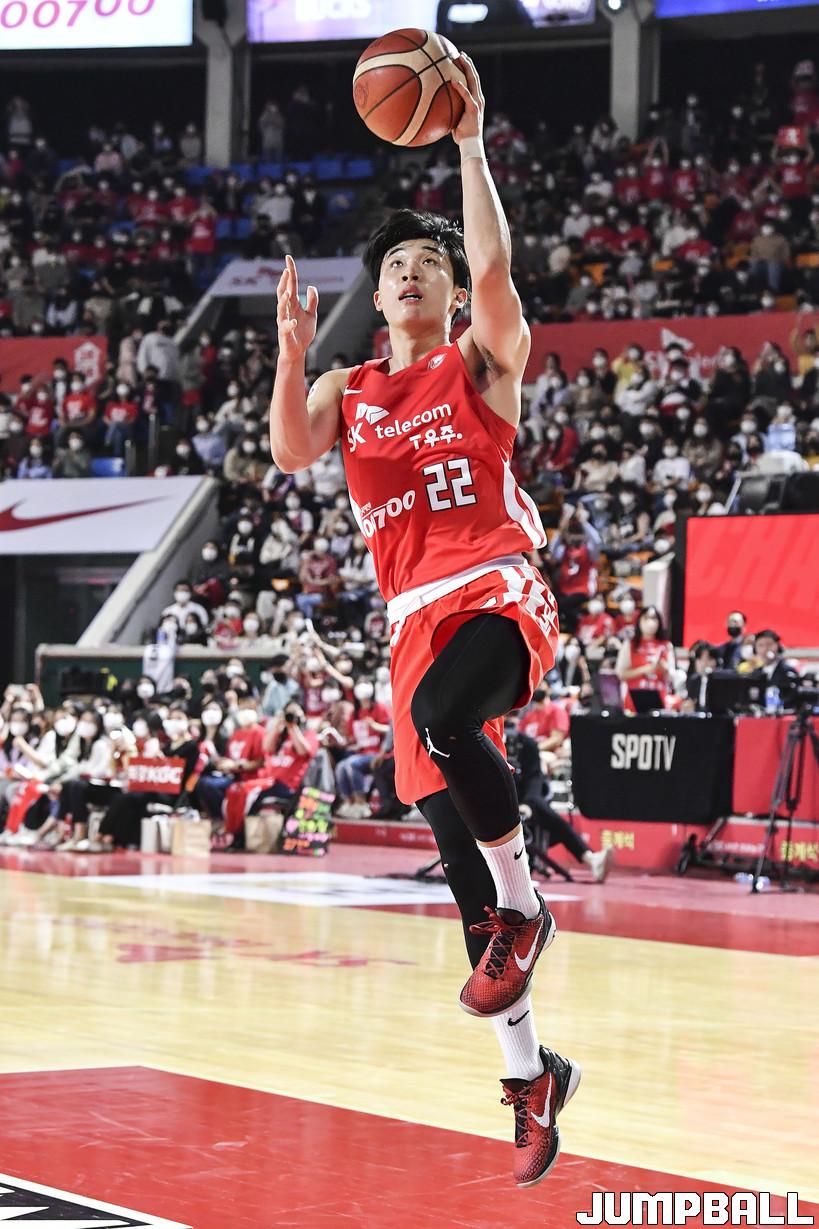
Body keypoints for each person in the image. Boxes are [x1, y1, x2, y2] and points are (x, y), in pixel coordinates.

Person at [269, 56, 578, 1187]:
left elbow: (494, 264)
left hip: (493, 587)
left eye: (428, 264)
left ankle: (529, 910)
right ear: (379, 293)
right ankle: (531, 1076)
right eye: (396, 264)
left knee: (454, 726)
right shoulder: (347, 390)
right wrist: (292, 351)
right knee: (462, 883)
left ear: (450, 293)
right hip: (410, 622)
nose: (411, 273)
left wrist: (469, 142)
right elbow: (289, 452)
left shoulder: (480, 362)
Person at [615, 606, 676, 712]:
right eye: (646, 618)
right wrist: (646, 669)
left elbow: (672, 676)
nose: (650, 622)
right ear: (639, 621)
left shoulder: (666, 645)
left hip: (659, 699)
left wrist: (663, 667)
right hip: (634, 699)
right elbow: (621, 674)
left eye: (654, 618)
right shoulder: (630, 644)